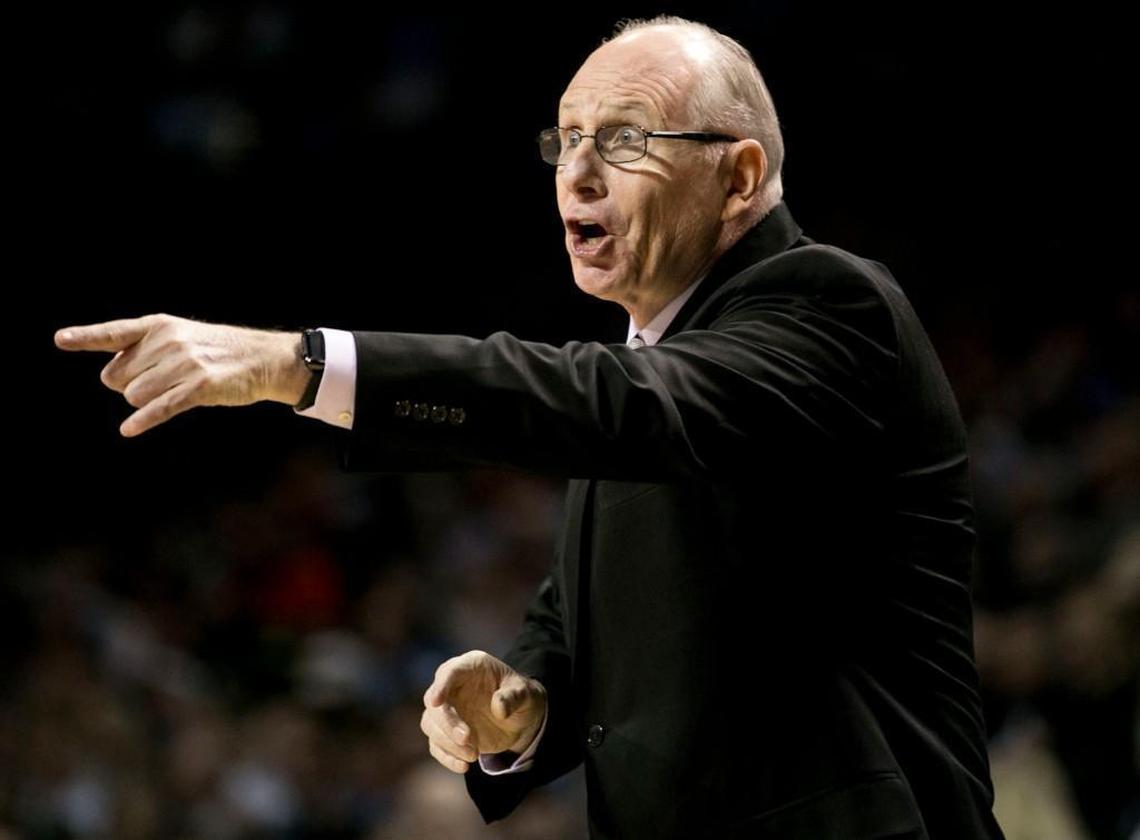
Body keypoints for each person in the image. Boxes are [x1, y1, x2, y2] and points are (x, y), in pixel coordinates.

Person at [55, 16, 1005, 840]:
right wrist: (525, 712)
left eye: (625, 139)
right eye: (568, 139)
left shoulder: (827, 305)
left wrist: (296, 364)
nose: (577, 173)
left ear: (739, 176)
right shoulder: (651, 366)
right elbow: (611, 633)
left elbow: (614, 405)